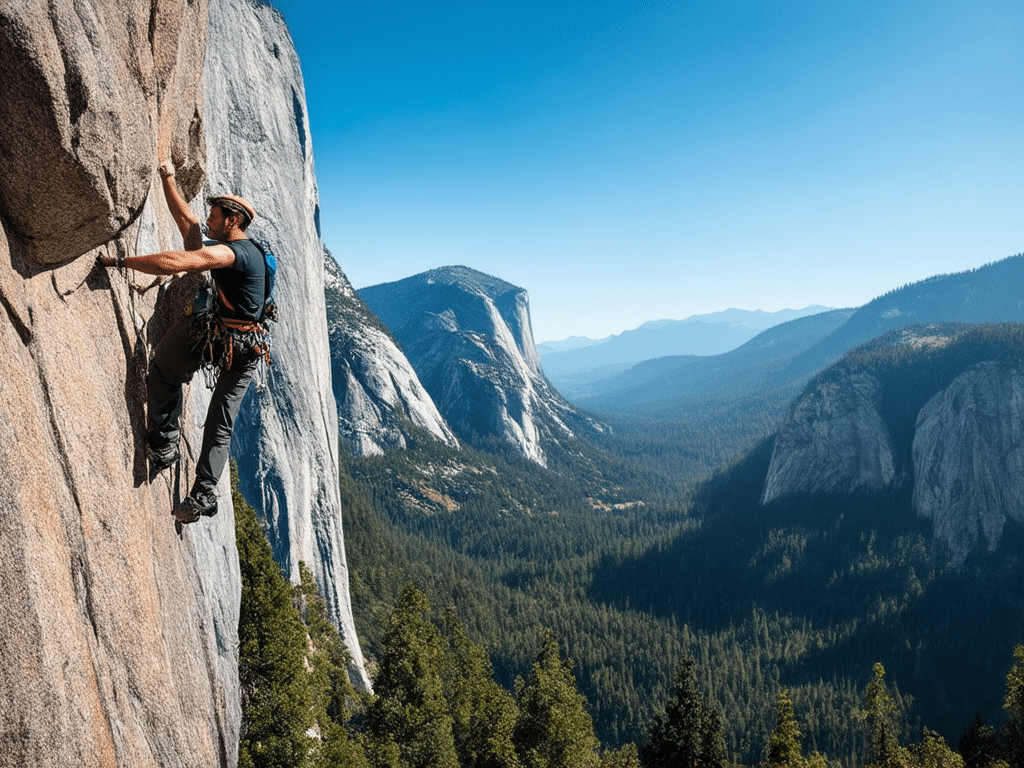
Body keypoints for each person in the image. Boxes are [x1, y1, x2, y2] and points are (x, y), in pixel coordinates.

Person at [98, 160, 272, 523]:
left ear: (232, 220)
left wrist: (121, 262)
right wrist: (168, 179)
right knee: (221, 421)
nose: (208, 219)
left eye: (215, 215)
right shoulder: (244, 250)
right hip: (246, 346)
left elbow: (177, 260)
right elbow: (189, 226)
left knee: (163, 370)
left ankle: (164, 444)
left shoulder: (231, 254)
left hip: (219, 337)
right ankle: (204, 494)